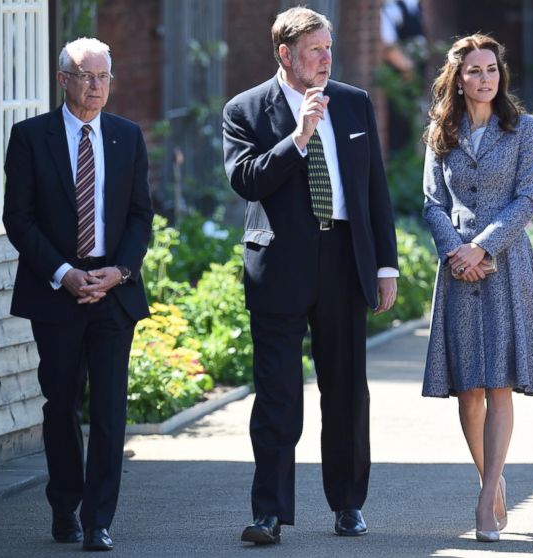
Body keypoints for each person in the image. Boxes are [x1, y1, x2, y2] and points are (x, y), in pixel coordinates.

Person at [222, 7, 399, 545]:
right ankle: (270, 513)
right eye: (315, 50)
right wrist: (298, 138)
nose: (326, 58)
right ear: (285, 54)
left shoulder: (353, 102)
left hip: (344, 260)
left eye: (329, 48)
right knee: (277, 395)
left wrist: (385, 265)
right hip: (279, 266)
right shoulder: (246, 109)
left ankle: (348, 504)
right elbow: (246, 181)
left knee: (345, 391)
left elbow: (374, 191)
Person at [2, 37, 154, 552]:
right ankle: (65, 504)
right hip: (56, 290)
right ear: (63, 79)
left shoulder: (127, 136)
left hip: (114, 291)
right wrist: (64, 272)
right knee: (62, 401)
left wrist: (121, 271)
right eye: (87, 76)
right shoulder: (30, 137)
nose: (97, 86)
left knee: (111, 409)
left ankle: (98, 520)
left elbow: (139, 215)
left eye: (104, 77)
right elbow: (17, 219)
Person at [420, 34, 533, 543]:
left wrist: (481, 248)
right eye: (474, 71)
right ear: (457, 80)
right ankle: (493, 478)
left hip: (505, 266)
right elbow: (431, 202)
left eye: (492, 69)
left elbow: (527, 200)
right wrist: (455, 251)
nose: (485, 79)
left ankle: (485, 502)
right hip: (457, 269)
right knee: (468, 390)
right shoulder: (441, 130)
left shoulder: (525, 129)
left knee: (499, 381)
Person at [380, 0, 428, 153]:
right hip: (399, 81)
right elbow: (388, 48)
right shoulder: (390, 8)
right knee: (397, 127)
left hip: (415, 82)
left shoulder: (414, 6)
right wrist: (409, 69)